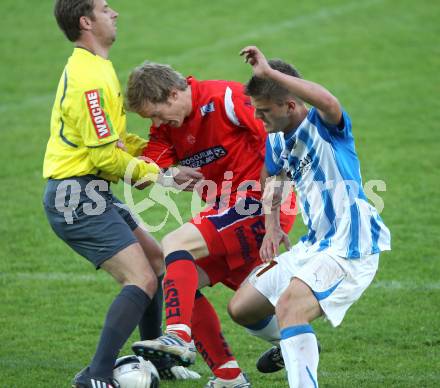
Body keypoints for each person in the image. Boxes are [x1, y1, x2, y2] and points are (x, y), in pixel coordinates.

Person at [43, 1, 197, 386]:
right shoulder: (90, 79)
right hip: (75, 197)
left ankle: (156, 356)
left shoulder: (97, 68)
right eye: (105, 8)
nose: (115, 13)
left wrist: (160, 155)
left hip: (91, 190)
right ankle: (96, 376)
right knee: (141, 279)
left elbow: (113, 142)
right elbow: (105, 157)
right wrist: (160, 176)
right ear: (86, 22)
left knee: (157, 261)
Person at [124, 61, 296, 387]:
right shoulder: (166, 128)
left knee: (174, 244)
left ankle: (176, 336)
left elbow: (278, 141)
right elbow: (145, 173)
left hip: (259, 204)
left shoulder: (226, 98)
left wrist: (268, 201)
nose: (157, 123)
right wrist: (162, 172)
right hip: (228, 213)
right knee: (180, 281)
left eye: (157, 114)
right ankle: (231, 375)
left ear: (174, 93)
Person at [227, 46, 391, 387]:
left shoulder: (325, 125)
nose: (259, 118)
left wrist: (270, 73)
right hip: (314, 244)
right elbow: (272, 178)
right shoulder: (275, 139)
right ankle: (291, 345)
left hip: (351, 243)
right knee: (242, 308)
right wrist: (272, 226)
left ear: (290, 105)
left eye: (264, 111)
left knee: (290, 306)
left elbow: (328, 101)